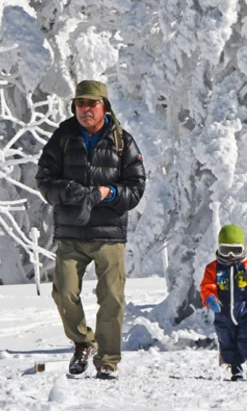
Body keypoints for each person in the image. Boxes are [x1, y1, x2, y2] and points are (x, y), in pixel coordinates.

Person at [35, 79, 146, 380]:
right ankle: (83, 342)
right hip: (71, 234)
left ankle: (108, 360)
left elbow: (135, 189)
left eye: (91, 104)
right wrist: (71, 191)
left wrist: (108, 192)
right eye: (80, 104)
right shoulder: (63, 137)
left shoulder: (123, 141)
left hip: (109, 235)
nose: (85, 110)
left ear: (104, 106)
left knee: (111, 297)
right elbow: (44, 180)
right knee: (64, 293)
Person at [199, 224, 247, 381]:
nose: (230, 255)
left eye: (235, 250)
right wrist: (210, 299)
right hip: (224, 312)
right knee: (227, 340)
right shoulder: (213, 268)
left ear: (242, 248)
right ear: (219, 248)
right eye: (225, 250)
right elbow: (207, 286)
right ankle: (235, 368)